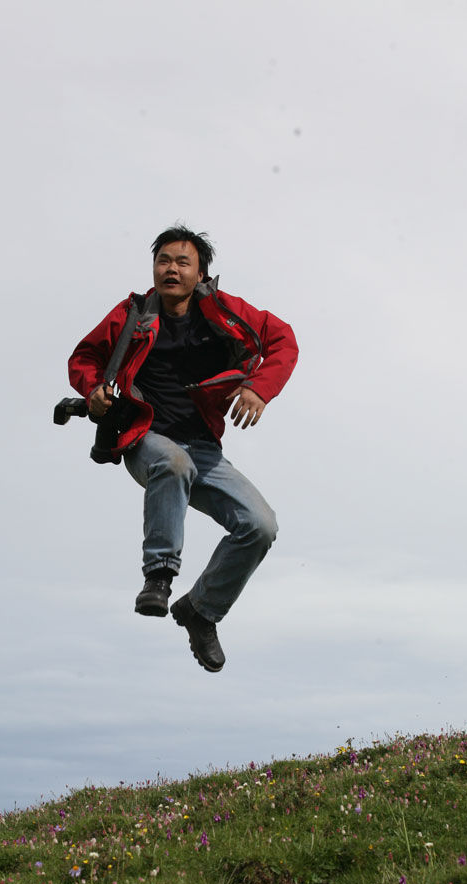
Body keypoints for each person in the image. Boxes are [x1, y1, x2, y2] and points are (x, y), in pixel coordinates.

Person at [67, 225, 298, 672]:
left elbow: (282, 339)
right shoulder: (132, 314)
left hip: (205, 449)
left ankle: (201, 610)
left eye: (182, 262)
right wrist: (94, 389)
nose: (171, 269)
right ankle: (159, 576)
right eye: (163, 260)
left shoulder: (224, 312)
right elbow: (84, 357)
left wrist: (259, 389)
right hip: (145, 437)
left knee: (259, 525)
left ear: (201, 273)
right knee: (171, 464)